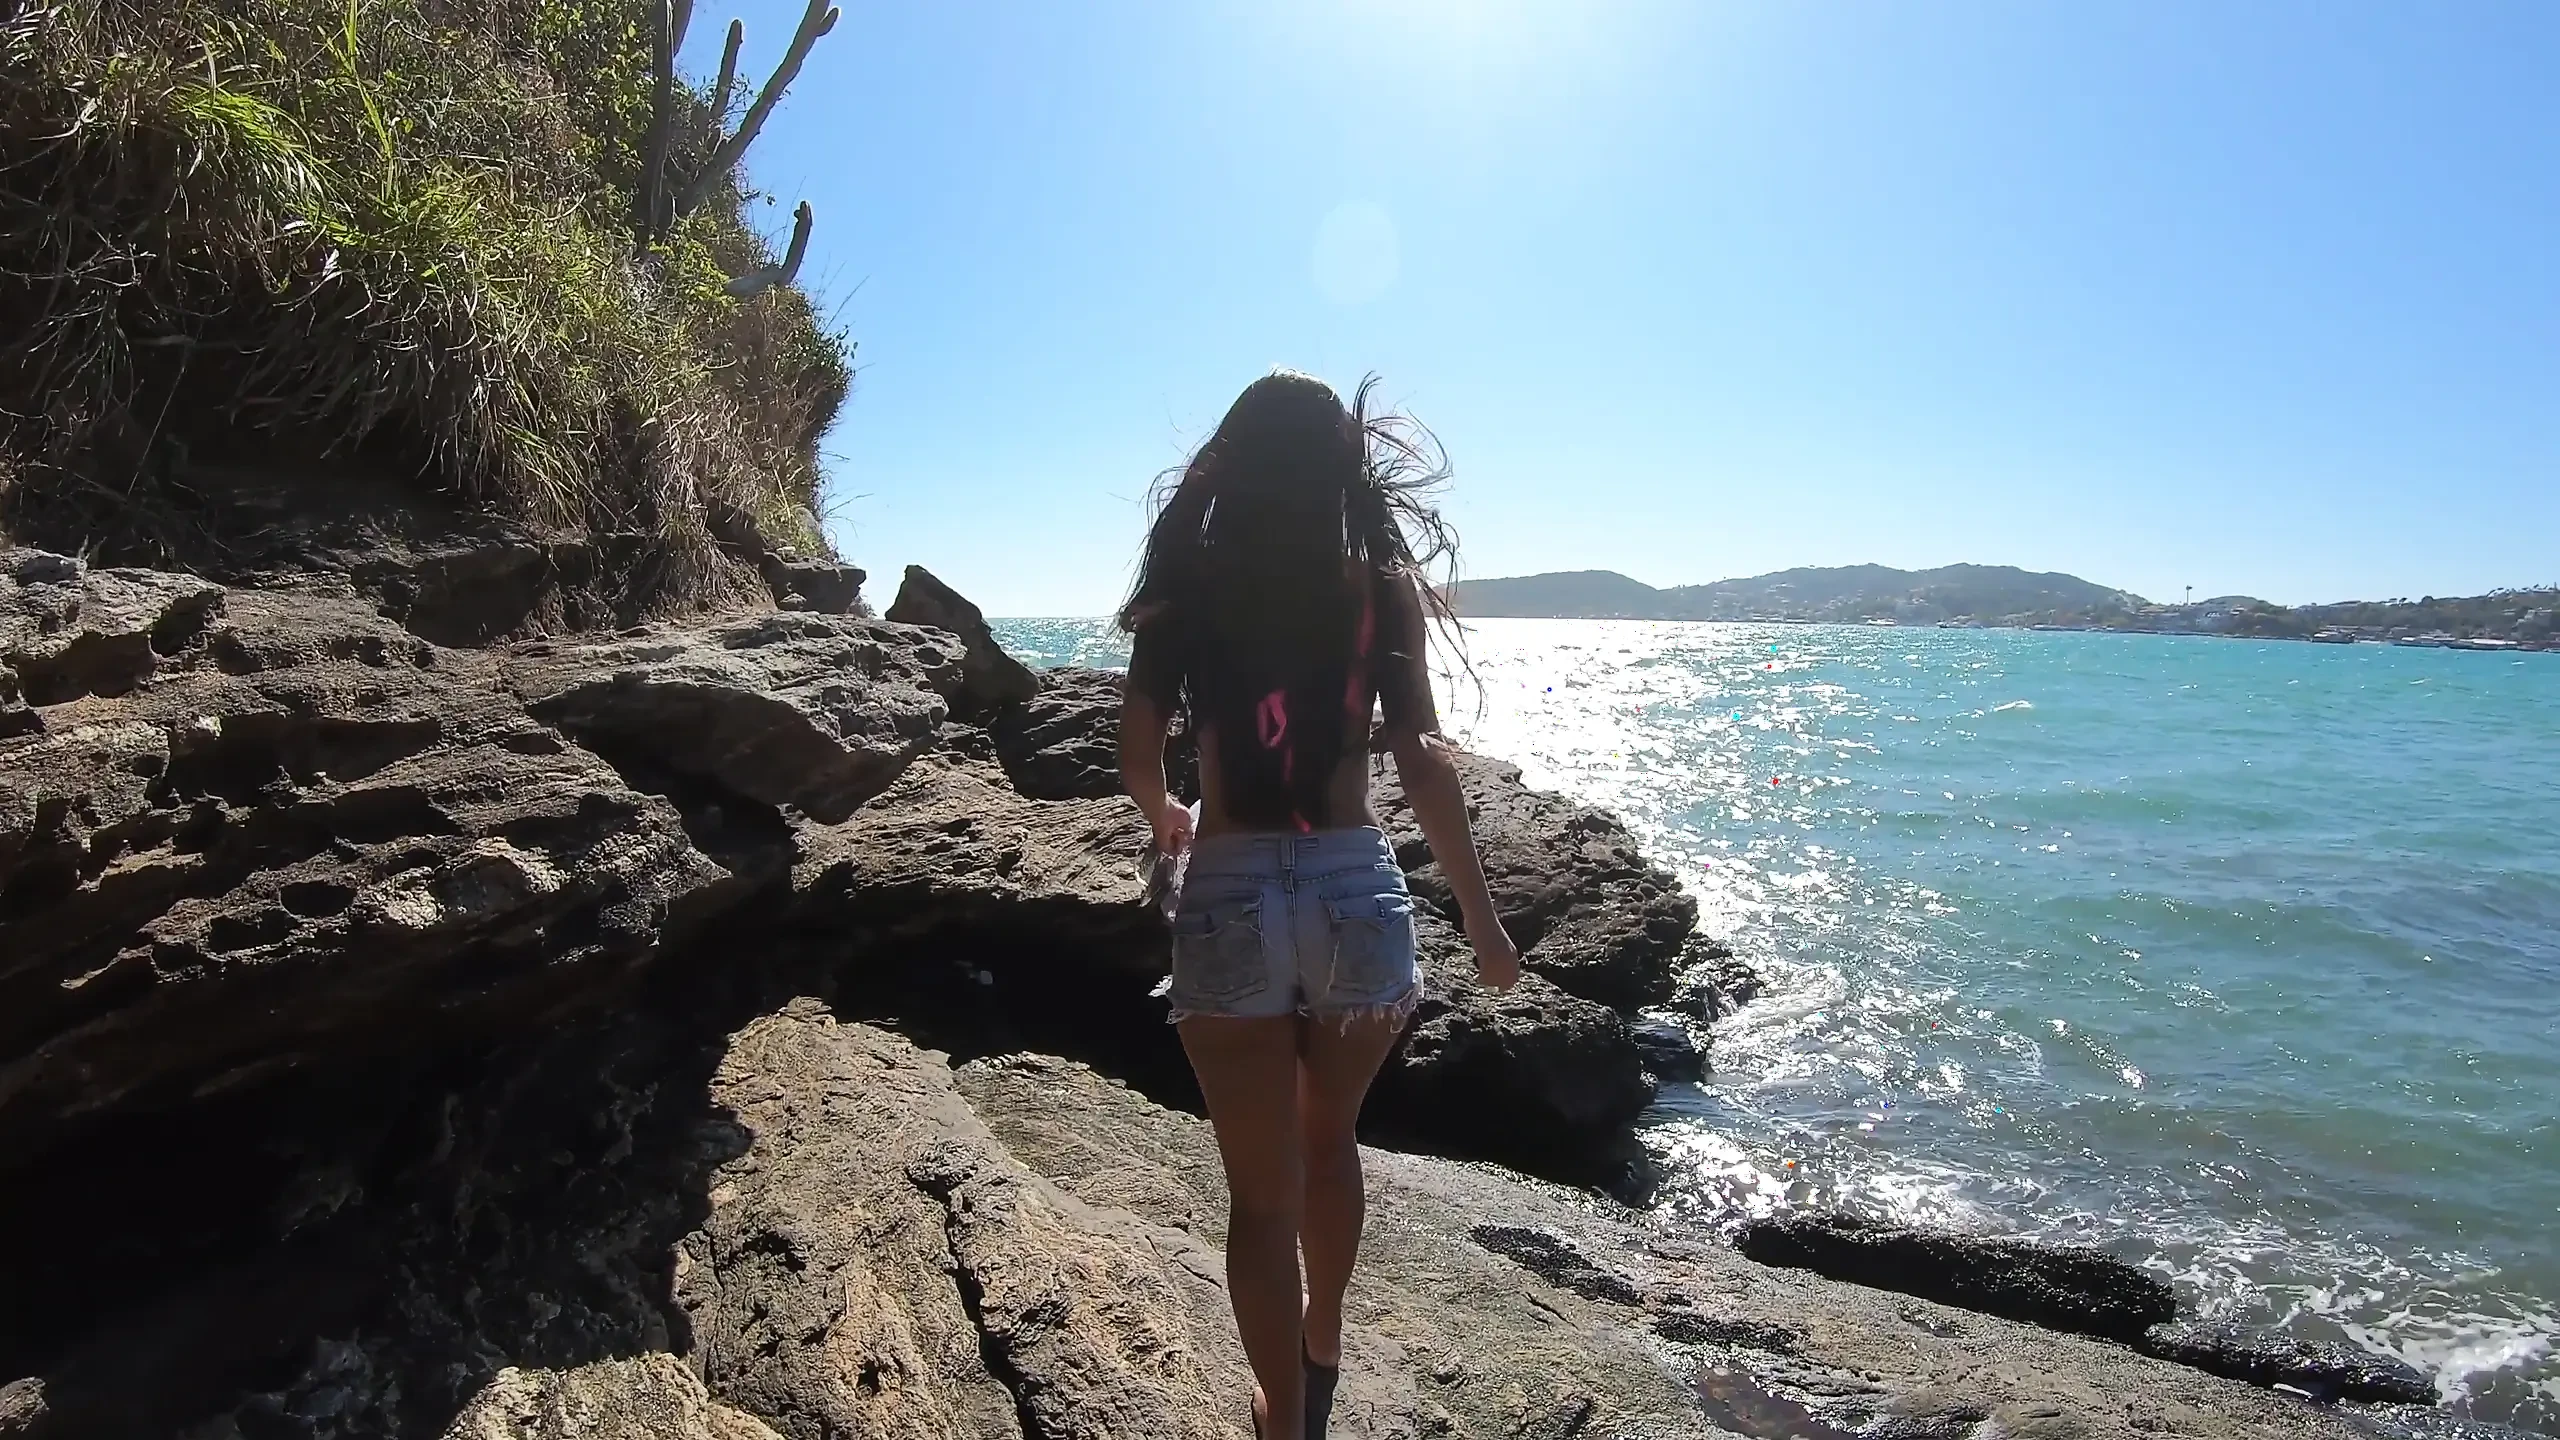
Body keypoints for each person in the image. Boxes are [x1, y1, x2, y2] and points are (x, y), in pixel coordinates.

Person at [1117, 370, 1520, 1440]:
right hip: (1351, 885)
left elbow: (1136, 748)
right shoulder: (1375, 591)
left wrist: (1167, 814)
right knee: (1330, 1140)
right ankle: (1325, 1336)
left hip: (1232, 886)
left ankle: (1284, 1418)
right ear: (1342, 469)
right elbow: (1420, 760)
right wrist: (1482, 920)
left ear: (1231, 465)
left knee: (1260, 1197)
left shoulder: (1188, 592)